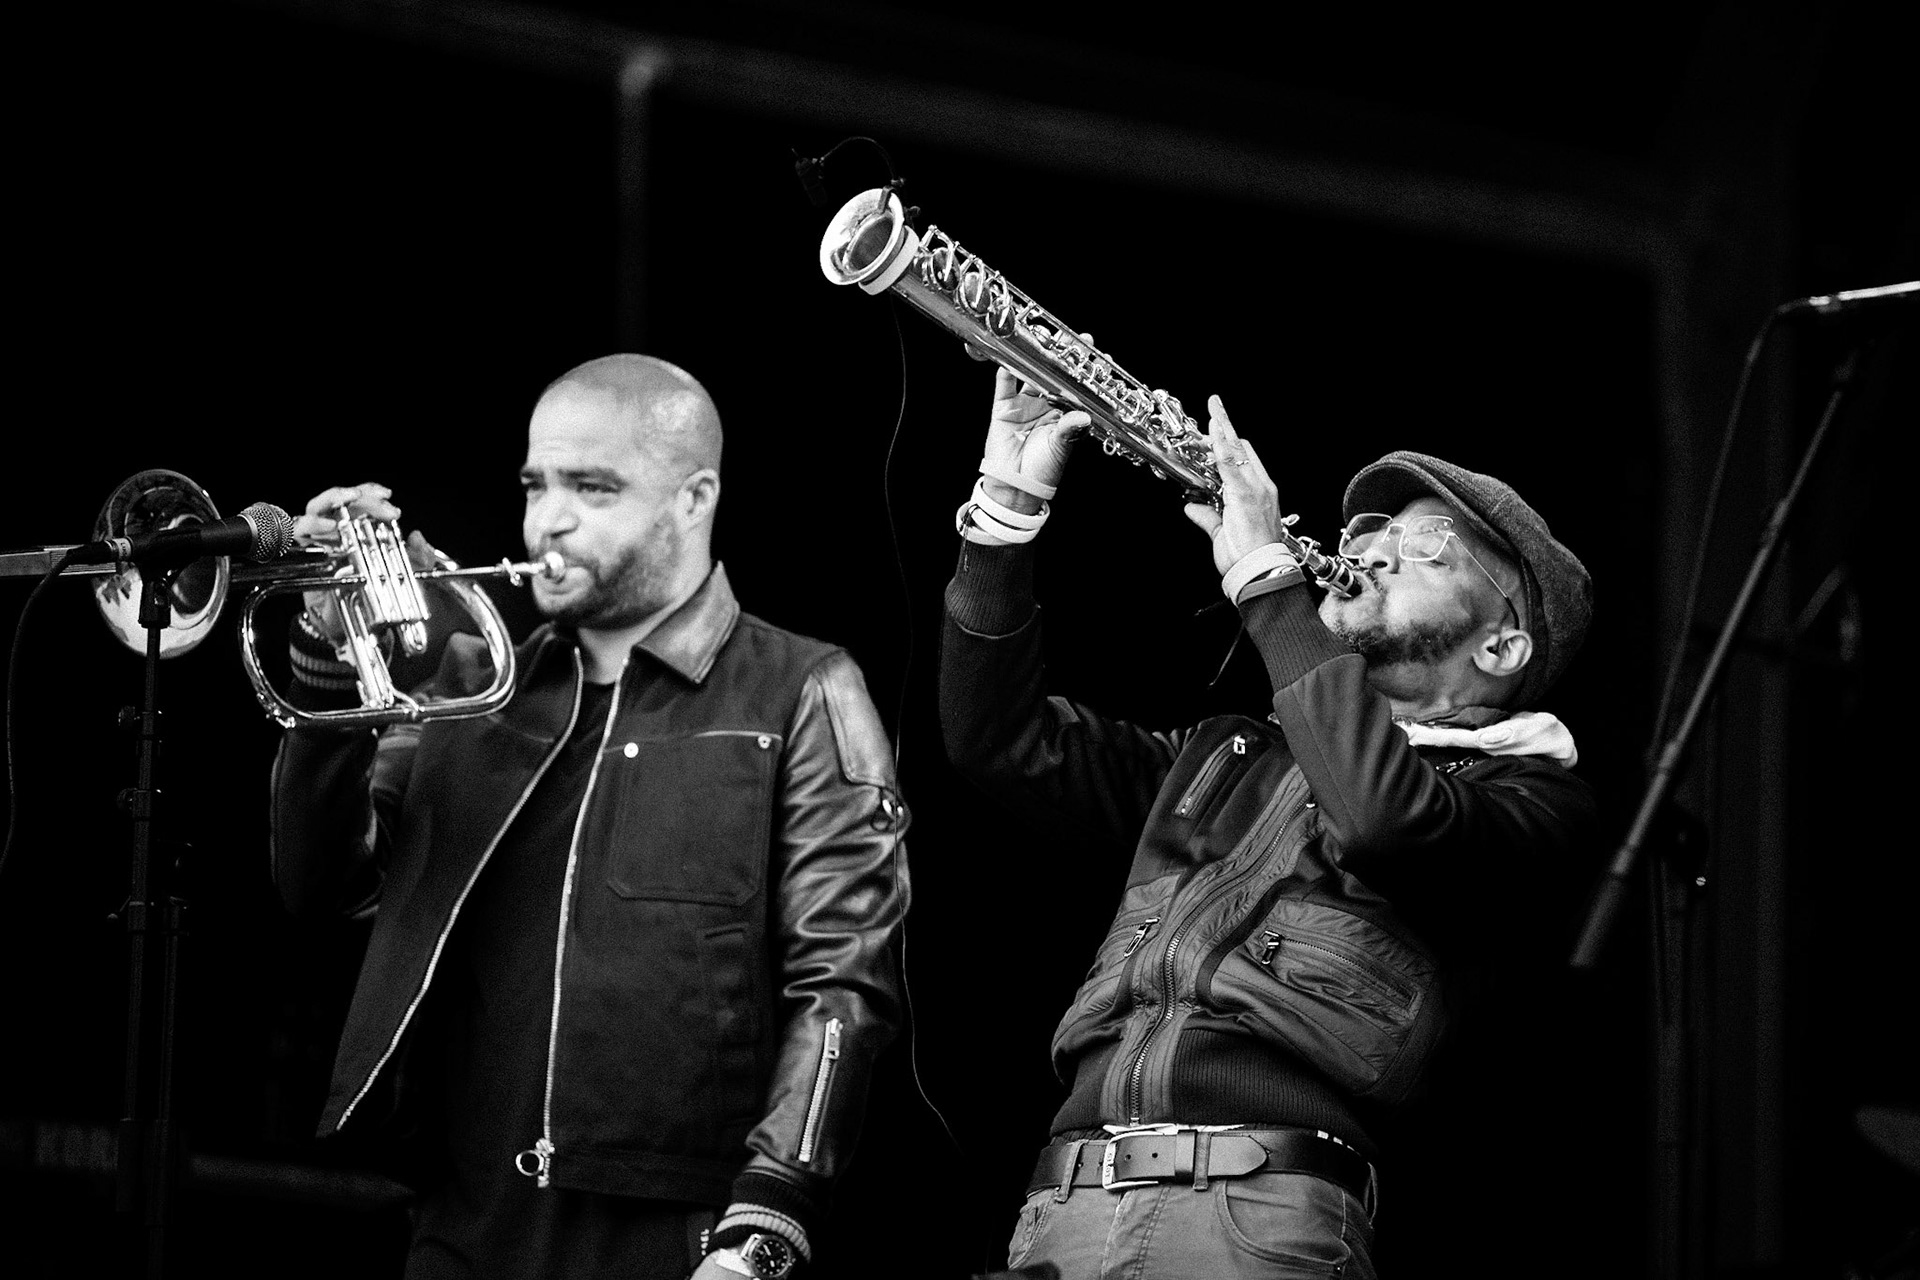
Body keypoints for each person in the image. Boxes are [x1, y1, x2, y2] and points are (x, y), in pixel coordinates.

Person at [939, 369, 1595, 1277]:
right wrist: (1009, 509)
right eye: (1372, 532)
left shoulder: (1532, 802)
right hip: (1065, 1208)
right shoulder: (1235, 751)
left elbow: (1383, 823)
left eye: (1429, 547)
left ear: (1501, 646)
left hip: (1256, 1216)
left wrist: (1267, 583)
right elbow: (996, 741)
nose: (1372, 553)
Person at [271, 354, 909, 1280]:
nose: (548, 518)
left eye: (592, 487)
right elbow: (321, 885)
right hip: (460, 1226)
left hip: (675, 1238)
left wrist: (770, 1219)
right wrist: (330, 656)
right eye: (536, 485)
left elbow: (844, 985)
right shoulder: (469, 683)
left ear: (695, 499)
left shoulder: (803, 688)